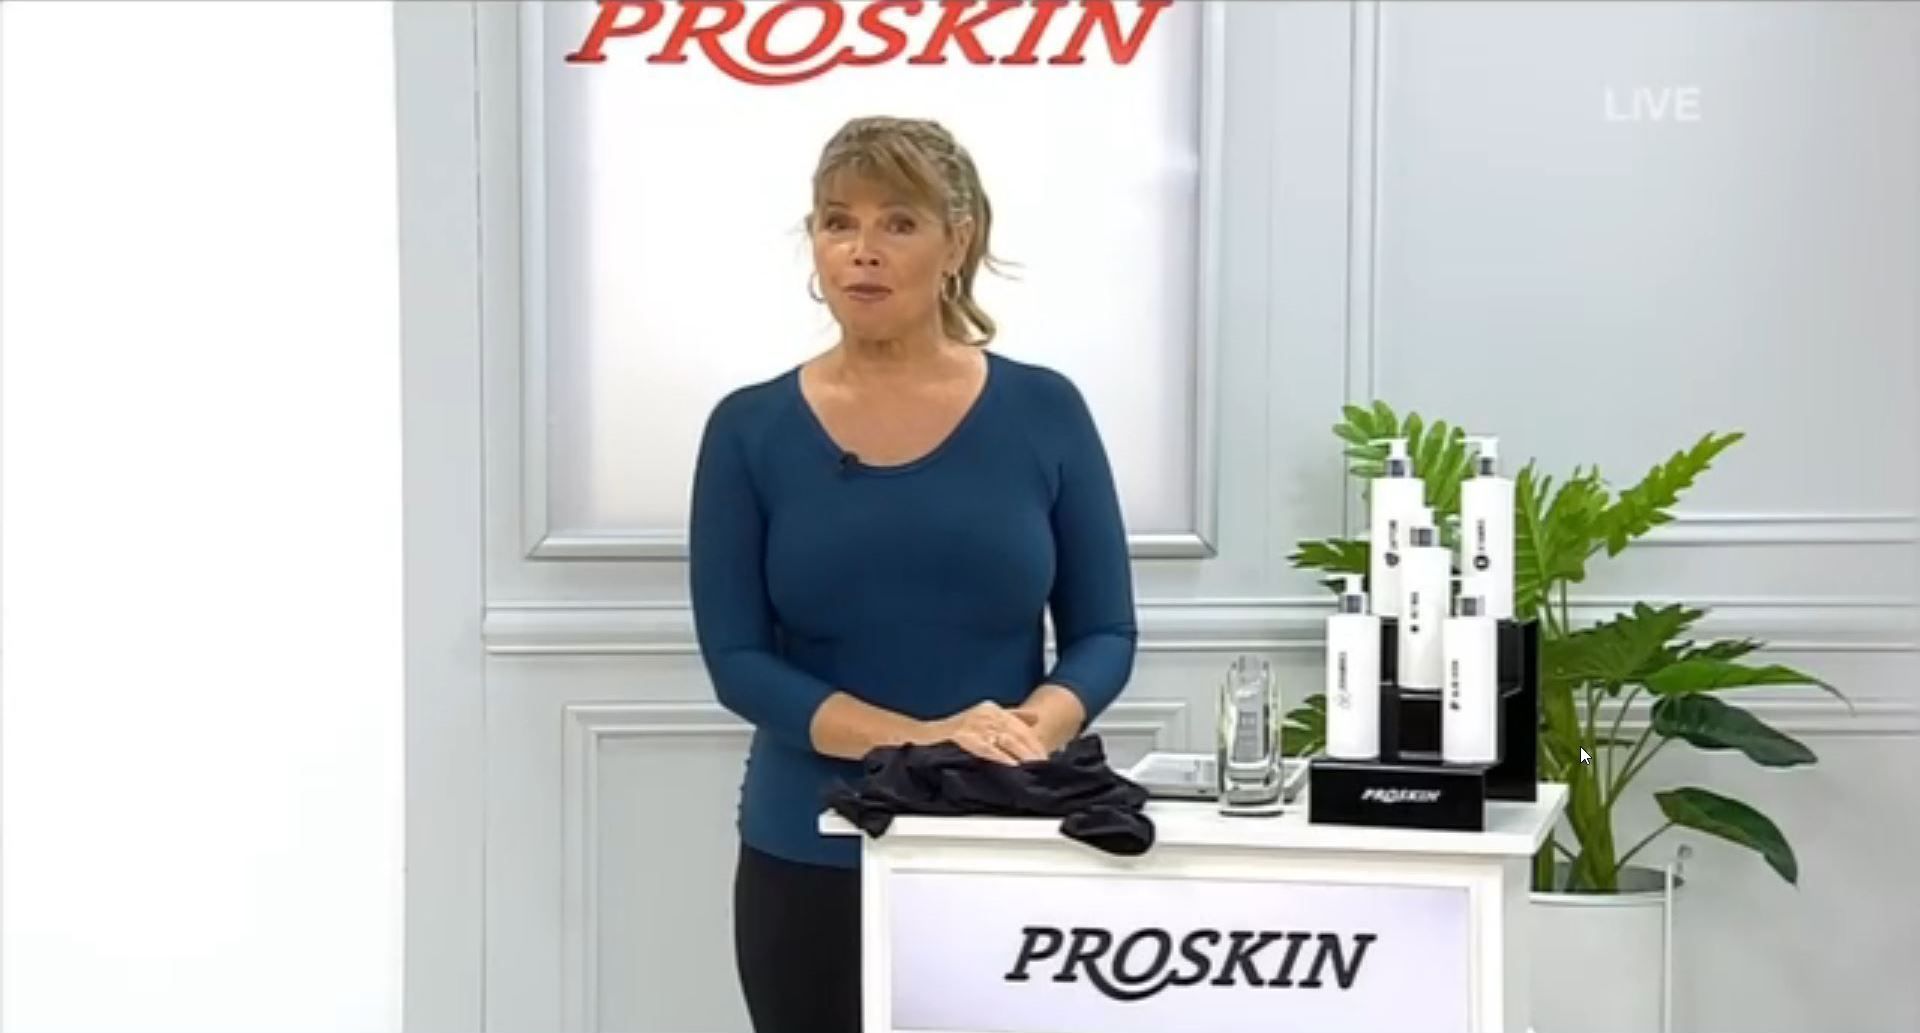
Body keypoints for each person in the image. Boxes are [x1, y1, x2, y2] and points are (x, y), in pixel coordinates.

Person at [687, 114, 1138, 1033]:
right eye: (838, 222)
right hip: (813, 849)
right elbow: (738, 661)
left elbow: (1104, 631)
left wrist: (1026, 731)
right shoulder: (748, 429)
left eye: (898, 222)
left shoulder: (1045, 409)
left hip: (1001, 842)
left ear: (956, 242)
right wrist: (924, 741)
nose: (862, 250)